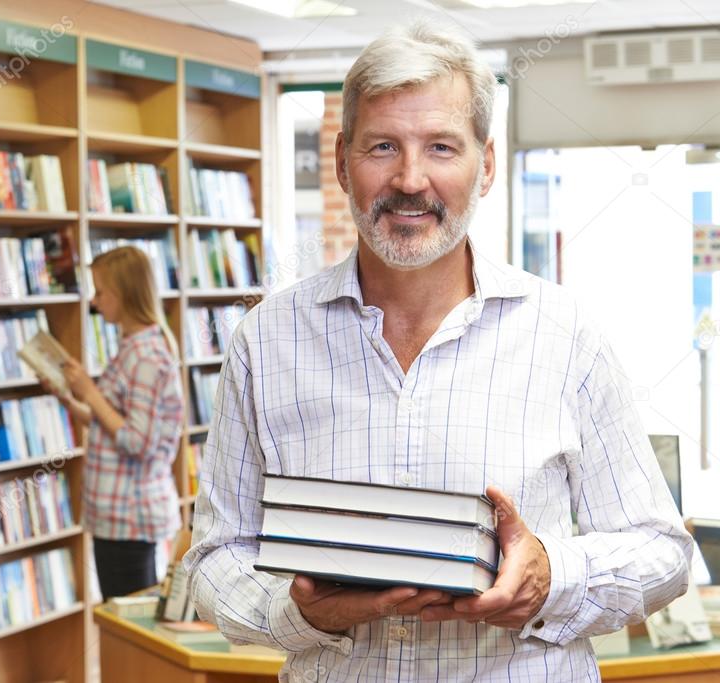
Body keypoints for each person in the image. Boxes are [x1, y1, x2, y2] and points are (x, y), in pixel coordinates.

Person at [183, 19, 693, 682]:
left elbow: (663, 552)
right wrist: (301, 613)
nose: (411, 178)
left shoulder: (566, 335)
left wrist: (551, 574)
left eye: (442, 147)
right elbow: (212, 560)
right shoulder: (266, 340)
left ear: (485, 165)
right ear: (341, 161)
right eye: (383, 146)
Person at [53, 246, 184, 598]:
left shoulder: (146, 357)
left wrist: (90, 393)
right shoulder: (131, 348)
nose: (94, 302)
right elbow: (108, 424)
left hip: (130, 517)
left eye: (100, 292)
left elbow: (136, 441)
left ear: (124, 294)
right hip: (116, 513)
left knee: (127, 628)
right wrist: (68, 396)